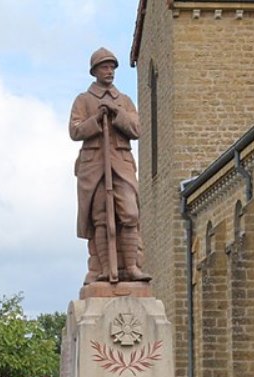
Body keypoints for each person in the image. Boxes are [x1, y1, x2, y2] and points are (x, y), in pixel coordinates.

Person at [70, 47, 150, 283]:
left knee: (130, 213)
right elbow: (75, 130)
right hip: (94, 165)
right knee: (100, 217)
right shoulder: (84, 100)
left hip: (121, 164)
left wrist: (116, 114)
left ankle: (131, 267)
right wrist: (96, 120)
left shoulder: (123, 101)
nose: (110, 71)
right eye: (105, 67)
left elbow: (136, 129)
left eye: (112, 67)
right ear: (94, 71)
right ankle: (104, 269)